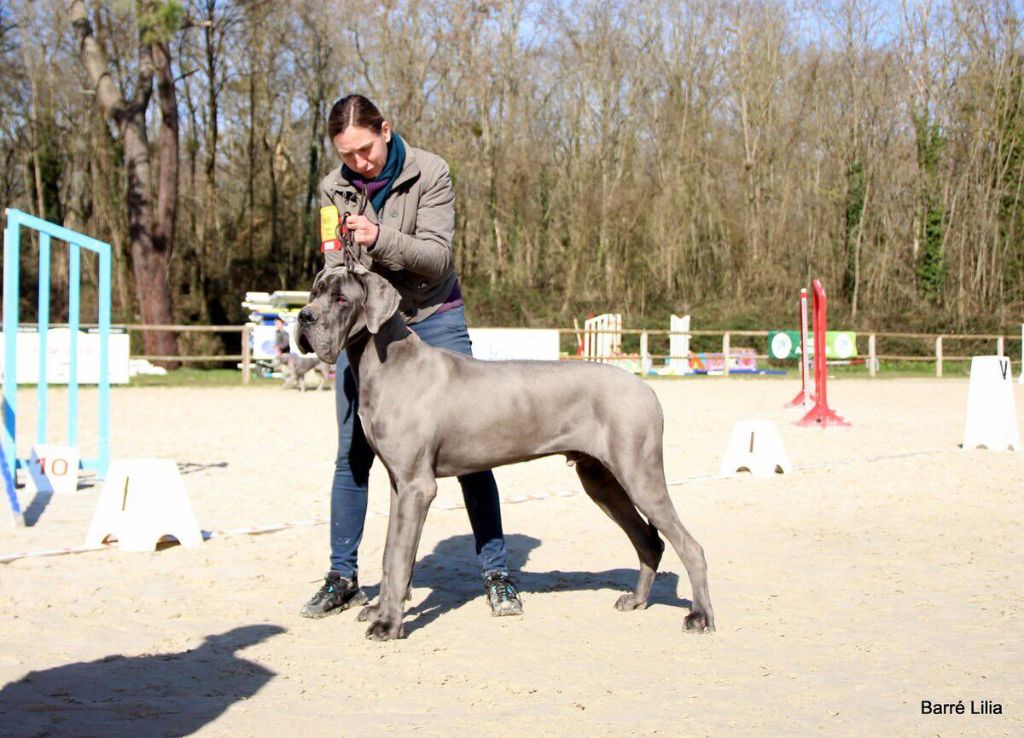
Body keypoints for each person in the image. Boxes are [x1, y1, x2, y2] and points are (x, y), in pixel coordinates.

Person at [300, 94, 523, 619]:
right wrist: (342, 275)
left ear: (385, 130)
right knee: (352, 449)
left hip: (433, 315)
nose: (357, 163)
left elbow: (437, 256)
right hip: (365, 324)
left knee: (475, 450)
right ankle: (343, 576)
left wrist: (379, 237)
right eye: (346, 154)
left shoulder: (431, 172)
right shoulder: (333, 188)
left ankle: (496, 572)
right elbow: (336, 263)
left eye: (364, 150)